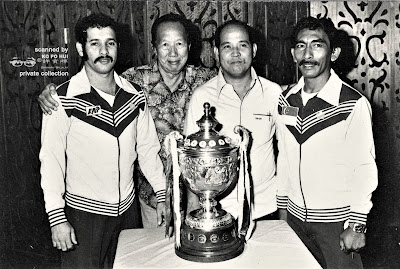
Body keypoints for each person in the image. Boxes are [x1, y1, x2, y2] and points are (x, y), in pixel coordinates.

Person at [37, 13, 217, 229]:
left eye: (179, 44)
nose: (173, 53)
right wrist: (50, 94)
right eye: (165, 44)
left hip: (199, 194)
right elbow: (96, 76)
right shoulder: (135, 80)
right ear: (154, 47)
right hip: (145, 200)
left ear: (189, 46)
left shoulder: (206, 81)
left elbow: (235, 81)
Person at [39, 13, 166, 268]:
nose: (104, 50)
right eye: (94, 43)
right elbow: (51, 162)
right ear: (80, 48)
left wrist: (162, 194)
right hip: (83, 217)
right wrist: (57, 218)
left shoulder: (134, 95)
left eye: (110, 43)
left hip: (128, 214)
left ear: (118, 46)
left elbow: (148, 151)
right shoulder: (62, 99)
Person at [276, 16, 378, 269]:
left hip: (337, 223)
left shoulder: (352, 104)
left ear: (333, 53)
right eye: (301, 46)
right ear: (293, 53)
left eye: (317, 45)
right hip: (295, 218)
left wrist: (357, 224)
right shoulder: (285, 100)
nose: (308, 54)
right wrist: (283, 209)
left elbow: (364, 167)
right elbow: (285, 157)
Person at [184, 20, 282, 221]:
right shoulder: (202, 97)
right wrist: (193, 213)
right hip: (216, 212)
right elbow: (191, 162)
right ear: (216, 52)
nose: (235, 53)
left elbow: (288, 153)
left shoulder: (274, 93)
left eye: (242, 45)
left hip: (265, 209)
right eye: (227, 46)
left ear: (253, 50)